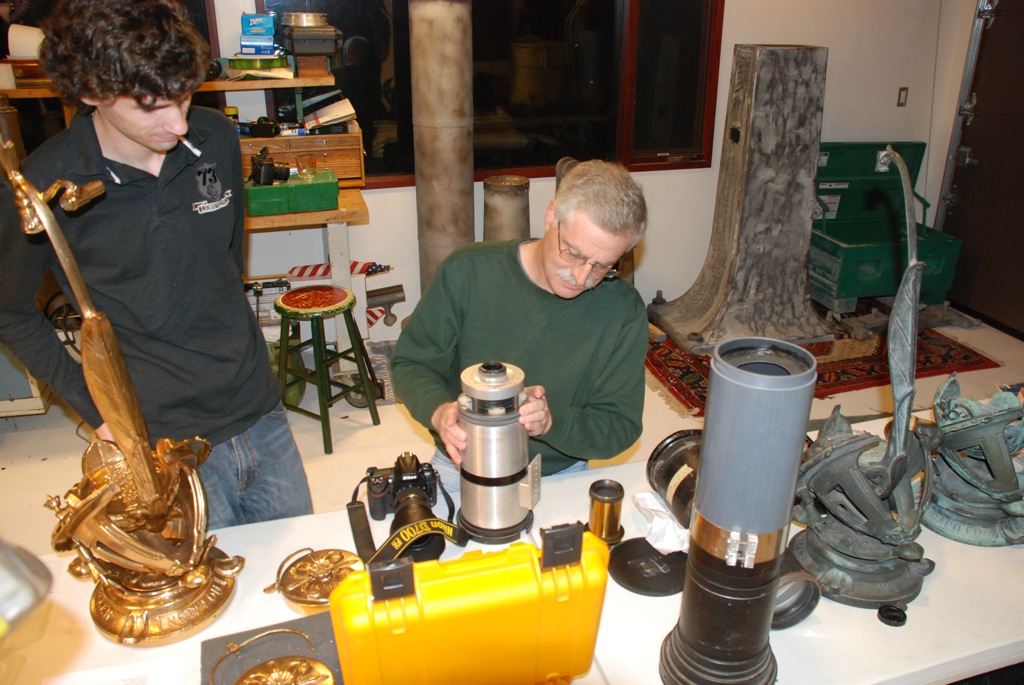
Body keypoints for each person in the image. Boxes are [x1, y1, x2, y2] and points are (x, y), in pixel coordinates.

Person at [0, 0, 312, 529]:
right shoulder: (46, 184)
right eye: (151, 106)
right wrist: (97, 411)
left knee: (297, 558)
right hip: (161, 437)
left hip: (259, 406)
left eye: (184, 95)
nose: (178, 122)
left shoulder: (213, 137)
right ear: (91, 91)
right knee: (205, 572)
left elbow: (225, 262)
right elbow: (10, 311)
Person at [391, 160, 649, 491]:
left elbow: (620, 425)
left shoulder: (622, 310)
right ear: (551, 216)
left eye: (603, 266)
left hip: (560, 470)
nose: (581, 276)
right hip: (463, 460)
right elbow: (412, 363)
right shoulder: (467, 271)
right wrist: (439, 411)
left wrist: (553, 422)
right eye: (573, 253)